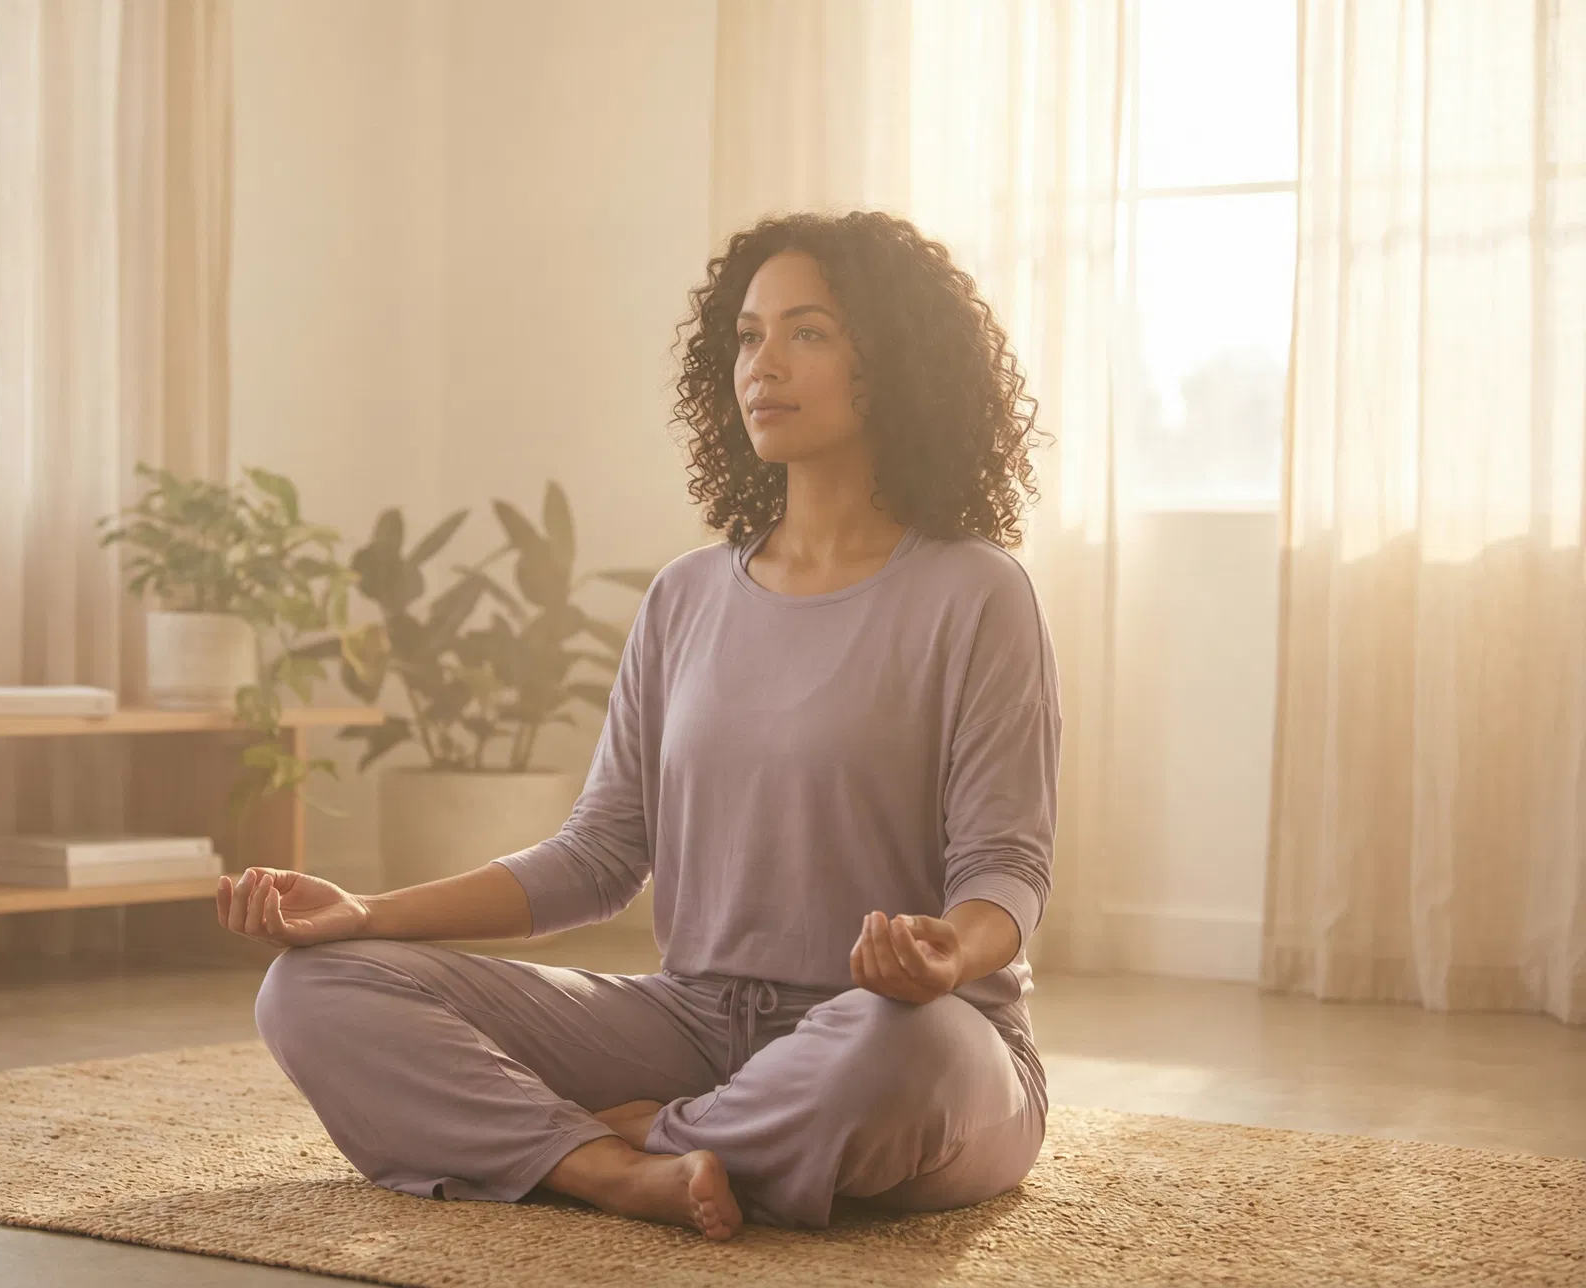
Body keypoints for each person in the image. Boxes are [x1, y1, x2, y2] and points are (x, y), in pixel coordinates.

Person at [219, 210, 1058, 1242]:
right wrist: (365, 912)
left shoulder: (978, 592)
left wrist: (946, 957)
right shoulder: (686, 594)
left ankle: (634, 1135)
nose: (764, 365)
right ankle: (614, 1170)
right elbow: (602, 852)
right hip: (696, 1018)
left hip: (908, 1032)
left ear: (893, 359)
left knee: (907, 1057)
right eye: (748, 336)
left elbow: (1005, 865)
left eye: (808, 332)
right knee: (314, 988)